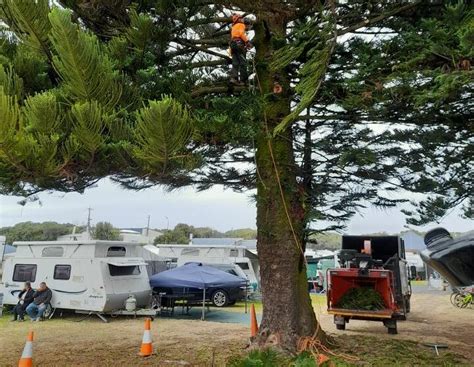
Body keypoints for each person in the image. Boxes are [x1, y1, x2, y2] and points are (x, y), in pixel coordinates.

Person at [230, 14, 252, 85]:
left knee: (235, 63)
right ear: (239, 19)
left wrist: (231, 51)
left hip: (233, 45)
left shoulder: (234, 27)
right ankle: (243, 80)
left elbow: (235, 37)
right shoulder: (241, 25)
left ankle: (234, 79)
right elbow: (241, 33)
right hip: (239, 44)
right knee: (243, 63)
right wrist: (247, 42)